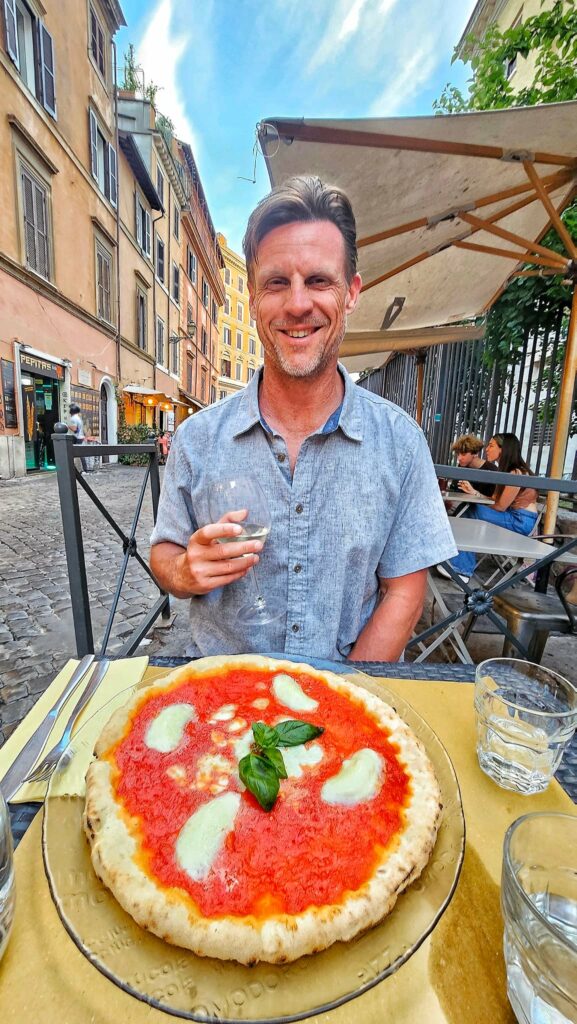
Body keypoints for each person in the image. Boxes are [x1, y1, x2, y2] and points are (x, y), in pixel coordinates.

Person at [150, 175, 457, 661]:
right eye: (276, 283)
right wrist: (185, 572)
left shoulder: (399, 441)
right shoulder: (196, 439)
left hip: (345, 703)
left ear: (351, 292)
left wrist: (339, 703)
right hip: (221, 700)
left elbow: (404, 592)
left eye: (318, 280)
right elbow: (163, 552)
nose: (297, 304)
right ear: (251, 296)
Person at [438, 432, 538, 582]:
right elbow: (494, 501)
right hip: (512, 516)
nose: (486, 449)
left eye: (491, 446)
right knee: (469, 509)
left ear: (503, 449)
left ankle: (462, 570)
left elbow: (500, 507)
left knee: (473, 511)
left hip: (519, 521)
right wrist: (475, 493)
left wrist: (478, 501)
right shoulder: (506, 471)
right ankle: (457, 563)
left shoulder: (516, 473)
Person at [450, 434, 497, 498]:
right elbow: (454, 490)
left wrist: (474, 492)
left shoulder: (492, 470)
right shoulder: (461, 466)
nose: (459, 458)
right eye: (458, 454)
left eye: (463, 454)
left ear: (475, 453)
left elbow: (494, 501)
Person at [68, 403, 89, 473]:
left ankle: (75, 469)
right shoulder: (78, 418)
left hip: (76, 437)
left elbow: (75, 429)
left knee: (72, 453)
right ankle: (84, 469)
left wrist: (67, 426)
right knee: (80, 454)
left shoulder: (73, 418)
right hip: (80, 437)